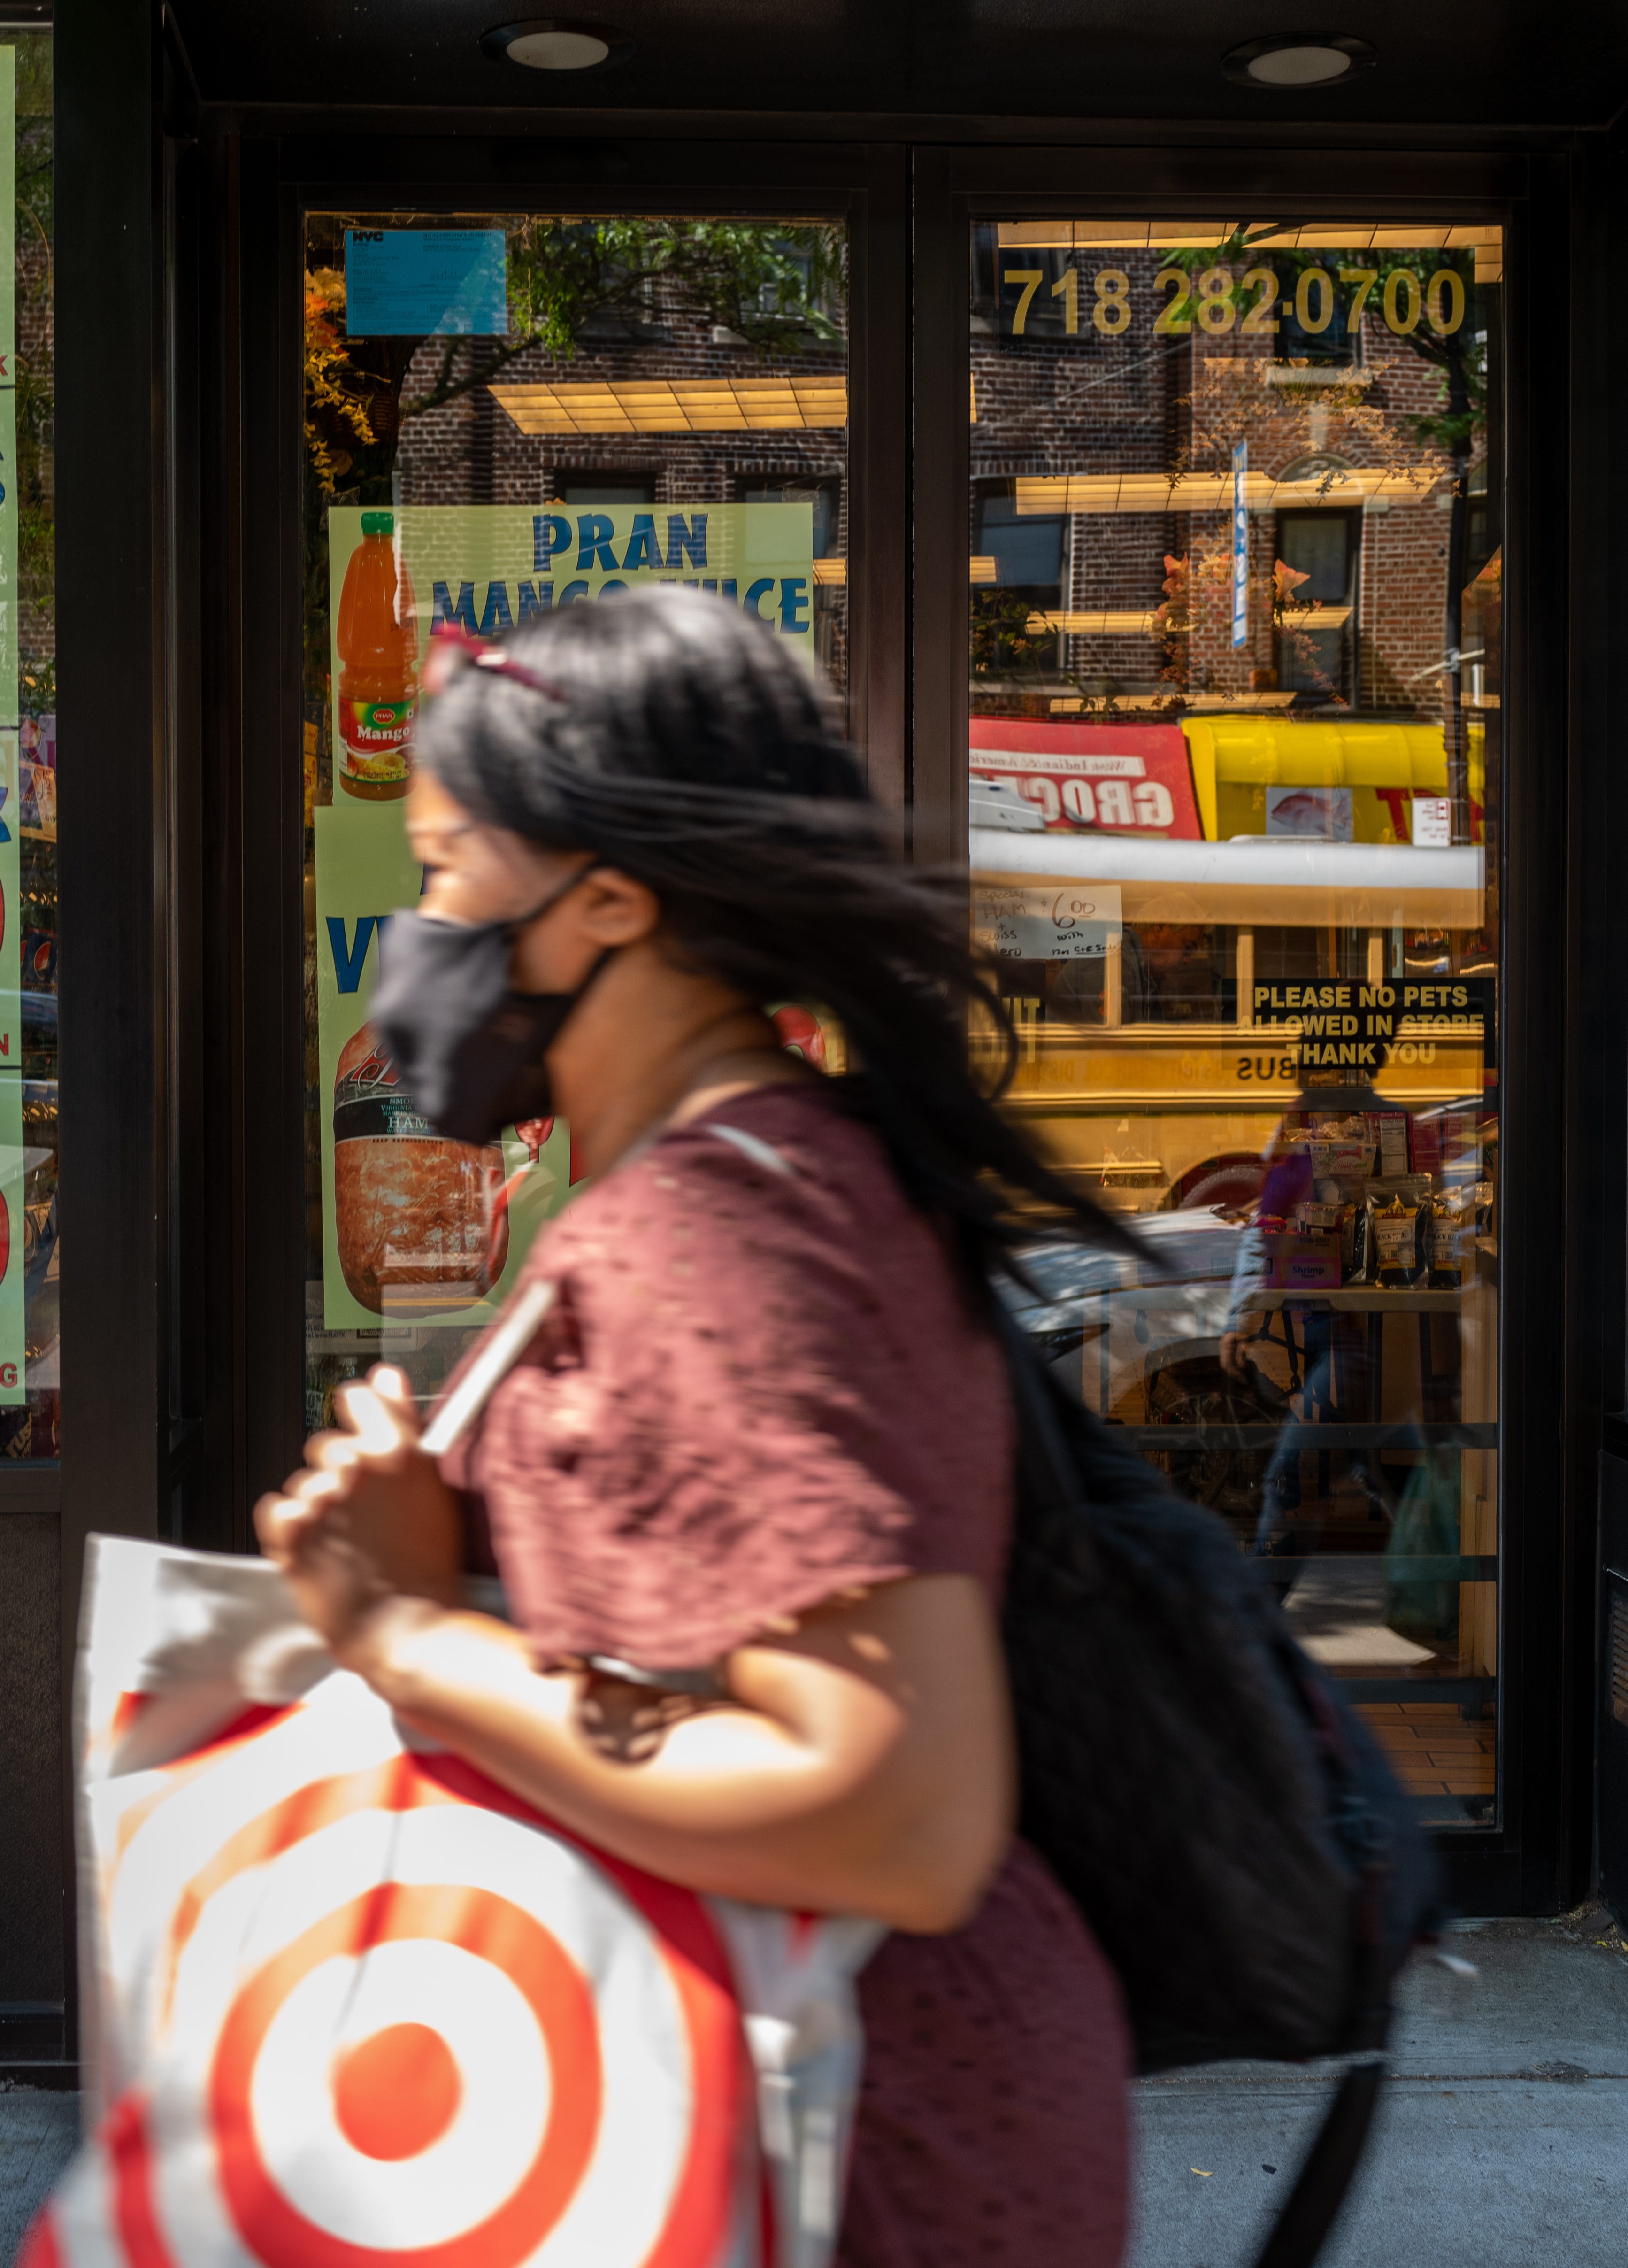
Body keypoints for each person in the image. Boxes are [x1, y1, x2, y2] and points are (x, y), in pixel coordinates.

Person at [255, 586, 1134, 2268]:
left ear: (607, 899)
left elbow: (901, 1810)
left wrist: (404, 1632)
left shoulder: (714, 1229)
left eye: (444, 870)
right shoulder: (776, 1169)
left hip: (851, 2155)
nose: (415, 924)